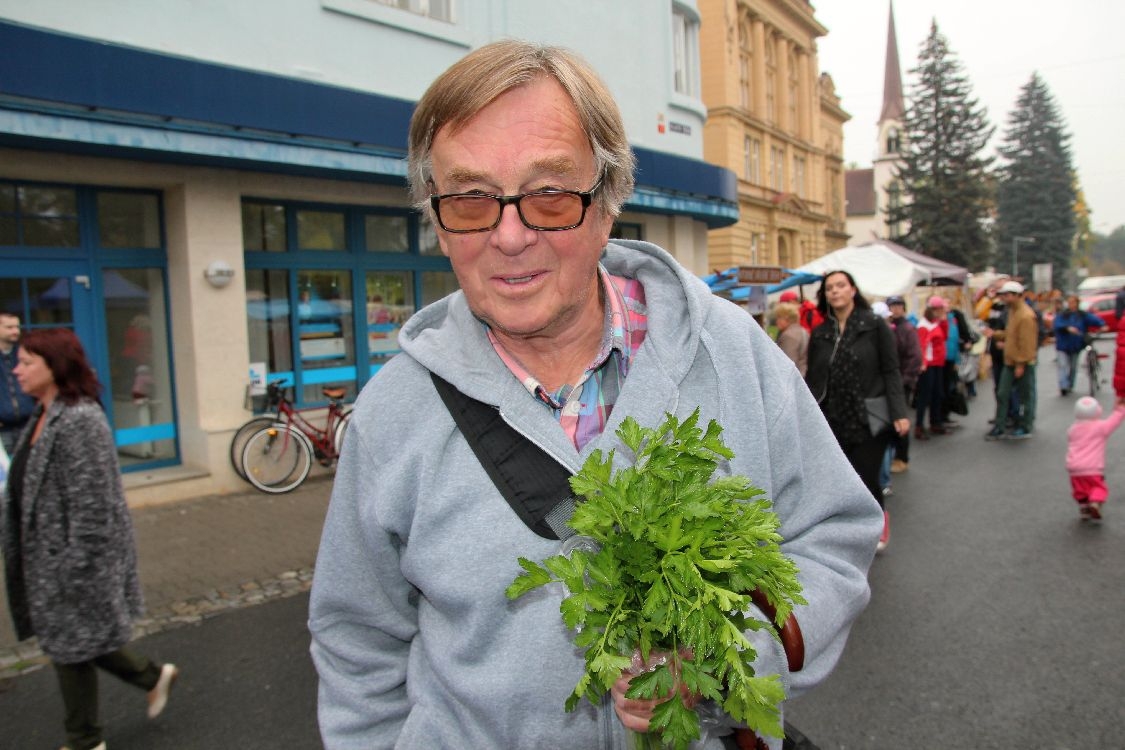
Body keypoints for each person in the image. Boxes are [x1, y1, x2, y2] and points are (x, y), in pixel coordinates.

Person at [307, 40, 881, 750]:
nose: (509, 236)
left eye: (549, 196)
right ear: (437, 219)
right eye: (470, 199)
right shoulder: (393, 414)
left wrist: (726, 660)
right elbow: (356, 642)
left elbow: (833, 536)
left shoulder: (728, 353)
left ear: (607, 204)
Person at [0, 328, 178, 750]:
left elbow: (94, 509)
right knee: (76, 645)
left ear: (56, 365)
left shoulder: (80, 420)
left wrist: (70, 571)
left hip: (71, 566)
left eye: (27, 362)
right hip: (45, 564)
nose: (17, 369)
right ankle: (152, 677)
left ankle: (84, 739)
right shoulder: (41, 416)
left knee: (71, 649)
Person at [805, 270, 909, 554]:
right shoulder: (821, 332)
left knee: (866, 477)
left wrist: (899, 411)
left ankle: (878, 523)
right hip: (831, 416)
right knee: (837, 478)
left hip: (868, 416)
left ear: (852, 290)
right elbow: (813, 378)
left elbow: (891, 370)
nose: (835, 291)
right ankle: (845, 531)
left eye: (841, 286)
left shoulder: (874, 325)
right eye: (829, 288)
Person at [986, 280, 1039, 440]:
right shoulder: (1013, 312)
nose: (1003, 298)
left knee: (1025, 395)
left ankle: (1025, 425)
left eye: (1007, 295)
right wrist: (995, 334)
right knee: (1003, 393)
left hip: (1021, 362)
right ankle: (1000, 426)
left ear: (1017, 296)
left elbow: (1027, 343)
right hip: (1010, 361)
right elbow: (1011, 334)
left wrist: (1021, 363)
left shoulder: (1025, 315)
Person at [1065, 396, 1125, 521]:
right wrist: (1120, 408)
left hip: (1074, 468)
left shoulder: (1072, 429)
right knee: (1098, 487)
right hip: (1093, 467)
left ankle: (1084, 508)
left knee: (1080, 489)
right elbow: (1114, 420)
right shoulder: (1100, 427)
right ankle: (1095, 503)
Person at [885, 295, 921, 475]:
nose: (895, 309)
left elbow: (915, 357)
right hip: (891, 383)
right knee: (892, 421)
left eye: (898, 305)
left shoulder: (907, 328)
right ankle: (894, 455)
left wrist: (905, 380)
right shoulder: (888, 327)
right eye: (892, 305)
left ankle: (902, 457)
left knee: (901, 420)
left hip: (901, 382)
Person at [1052, 294, 1105, 395]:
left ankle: (1070, 385)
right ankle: (1063, 386)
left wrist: (1102, 325)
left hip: (1076, 345)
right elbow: (1057, 324)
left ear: (1077, 303)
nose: (1071, 304)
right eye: (1070, 302)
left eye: (1073, 302)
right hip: (1063, 345)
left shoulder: (1082, 315)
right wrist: (1067, 328)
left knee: (1073, 366)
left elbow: (1095, 320)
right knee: (1062, 365)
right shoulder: (1063, 314)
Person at [0, 312, 36, 457]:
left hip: (28, 424)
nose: (15, 331)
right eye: (9, 327)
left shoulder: (25, 354)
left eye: (17, 327)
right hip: (3, 429)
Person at [914, 297, 949, 438]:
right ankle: (919, 426)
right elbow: (921, 344)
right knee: (925, 395)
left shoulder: (935, 323)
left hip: (938, 363)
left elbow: (944, 337)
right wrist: (922, 362)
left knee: (937, 393)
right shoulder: (923, 325)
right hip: (928, 364)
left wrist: (944, 320)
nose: (940, 311)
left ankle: (935, 422)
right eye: (938, 309)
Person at [770, 301, 808, 376]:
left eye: (779, 318)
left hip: (796, 377)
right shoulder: (803, 331)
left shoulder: (788, 336)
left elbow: (787, 365)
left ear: (787, 319)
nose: (777, 321)